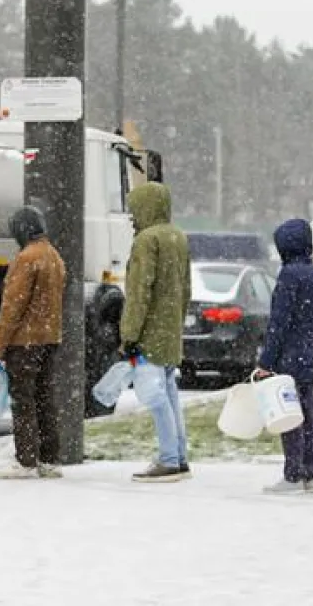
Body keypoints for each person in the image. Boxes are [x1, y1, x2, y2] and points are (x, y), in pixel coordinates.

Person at [0, 206, 67, 480]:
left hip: (25, 341)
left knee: (23, 400)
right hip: (50, 337)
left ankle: (25, 460)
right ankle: (50, 458)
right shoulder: (54, 255)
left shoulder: (26, 258)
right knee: (46, 398)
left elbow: (12, 307)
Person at [120, 182, 192, 483]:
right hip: (171, 327)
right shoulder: (178, 237)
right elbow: (186, 288)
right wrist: (177, 319)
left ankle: (168, 459)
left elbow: (139, 292)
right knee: (170, 392)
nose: (132, 217)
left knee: (154, 396)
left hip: (150, 330)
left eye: (135, 209)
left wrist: (129, 334)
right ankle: (180, 454)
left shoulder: (146, 241)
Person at [256, 218, 313, 494]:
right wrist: (311, 346)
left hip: (288, 358)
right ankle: (311, 473)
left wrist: (266, 362)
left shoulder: (288, 276)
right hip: (306, 355)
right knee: (309, 415)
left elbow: (278, 322)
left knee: (288, 416)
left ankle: (293, 473)